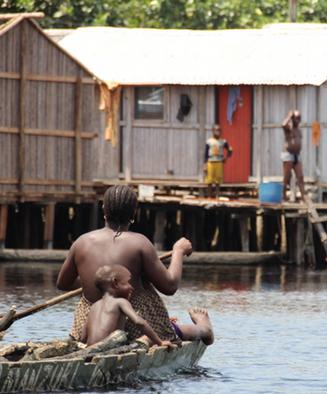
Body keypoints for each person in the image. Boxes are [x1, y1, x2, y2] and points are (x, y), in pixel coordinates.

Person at [56, 185, 213, 345]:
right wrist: (178, 251)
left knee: (142, 282)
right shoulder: (140, 243)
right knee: (172, 330)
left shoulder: (81, 242)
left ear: (104, 210)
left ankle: (200, 329)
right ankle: (203, 329)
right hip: (133, 324)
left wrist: (95, 285)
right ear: (134, 213)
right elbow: (170, 286)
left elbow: (63, 283)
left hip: (88, 328)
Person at [85, 265, 213, 347]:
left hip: (92, 348)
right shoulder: (121, 302)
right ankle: (202, 329)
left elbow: (83, 336)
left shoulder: (94, 306)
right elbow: (139, 322)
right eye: (128, 282)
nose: (131, 287)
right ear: (115, 283)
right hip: (108, 348)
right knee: (147, 338)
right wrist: (160, 342)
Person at [281, 110, 306, 202]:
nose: (298, 120)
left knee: (300, 176)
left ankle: (304, 197)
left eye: (299, 118)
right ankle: (283, 197)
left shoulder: (299, 130)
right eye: (296, 118)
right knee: (286, 177)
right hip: (288, 155)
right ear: (293, 119)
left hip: (297, 155)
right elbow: (283, 124)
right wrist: (289, 115)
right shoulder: (288, 128)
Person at [204, 127, 232, 198]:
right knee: (209, 180)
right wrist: (205, 164)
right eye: (216, 130)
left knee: (218, 180)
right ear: (213, 131)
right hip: (210, 162)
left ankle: (217, 196)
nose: (217, 131)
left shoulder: (223, 141)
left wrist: (226, 158)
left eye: (219, 130)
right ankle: (209, 196)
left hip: (219, 162)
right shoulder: (209, 141)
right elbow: (206, 153)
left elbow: (230, 150)